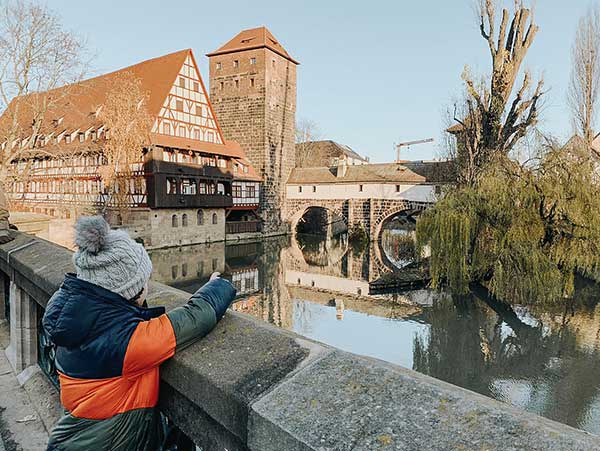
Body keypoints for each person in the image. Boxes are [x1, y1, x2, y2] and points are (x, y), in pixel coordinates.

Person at [42, 216, 236, 450]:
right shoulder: (127, 343)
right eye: (144, 280)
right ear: (131, 290)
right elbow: (198, 316)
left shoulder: (75, 322)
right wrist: (219, 283)